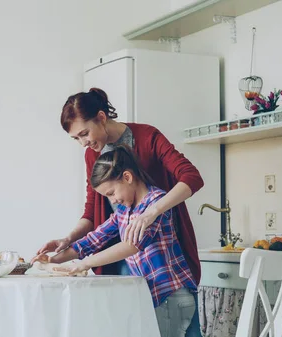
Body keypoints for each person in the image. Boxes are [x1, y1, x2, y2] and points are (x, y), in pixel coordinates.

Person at [35, 88, 205, 336]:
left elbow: (191, 176)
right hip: (122, 260)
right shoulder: (98, 169)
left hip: (161, 265)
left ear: (102, 117)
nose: (84, 143)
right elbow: (94, 214)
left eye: (84, 133)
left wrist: (152, 213)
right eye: (76, 139)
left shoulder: (148, 138)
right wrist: (63, 249)